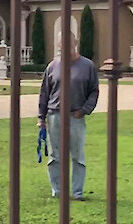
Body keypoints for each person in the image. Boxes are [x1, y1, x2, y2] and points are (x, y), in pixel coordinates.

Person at [38, 29, 99, 200]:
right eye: (62, 44)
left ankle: (77, 192)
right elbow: (44, 93)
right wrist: (40, 118)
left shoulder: (87, 66)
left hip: (76, 116)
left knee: (77, 156)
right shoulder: (52, 66)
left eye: (69, 43)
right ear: (58, 46)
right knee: (55, 156)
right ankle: (57, 191)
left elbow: (94, 91)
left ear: (75, 43)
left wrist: (84, 110)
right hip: (54, 115)